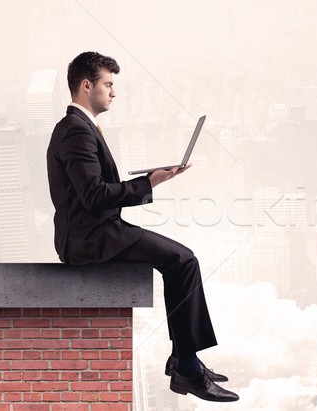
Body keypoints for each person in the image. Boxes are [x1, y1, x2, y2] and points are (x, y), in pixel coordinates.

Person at [46, 51, 238, 403]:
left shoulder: (79, 127)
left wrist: (153, 179)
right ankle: (187, 368)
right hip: (90, 239)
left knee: (180, 259)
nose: (113, 92)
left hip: (99, 230)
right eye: (108, 84)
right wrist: (150, 182)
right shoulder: (75, 130)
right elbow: (93, 195)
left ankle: (185, 359)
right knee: (183, 260)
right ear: (86, 85)